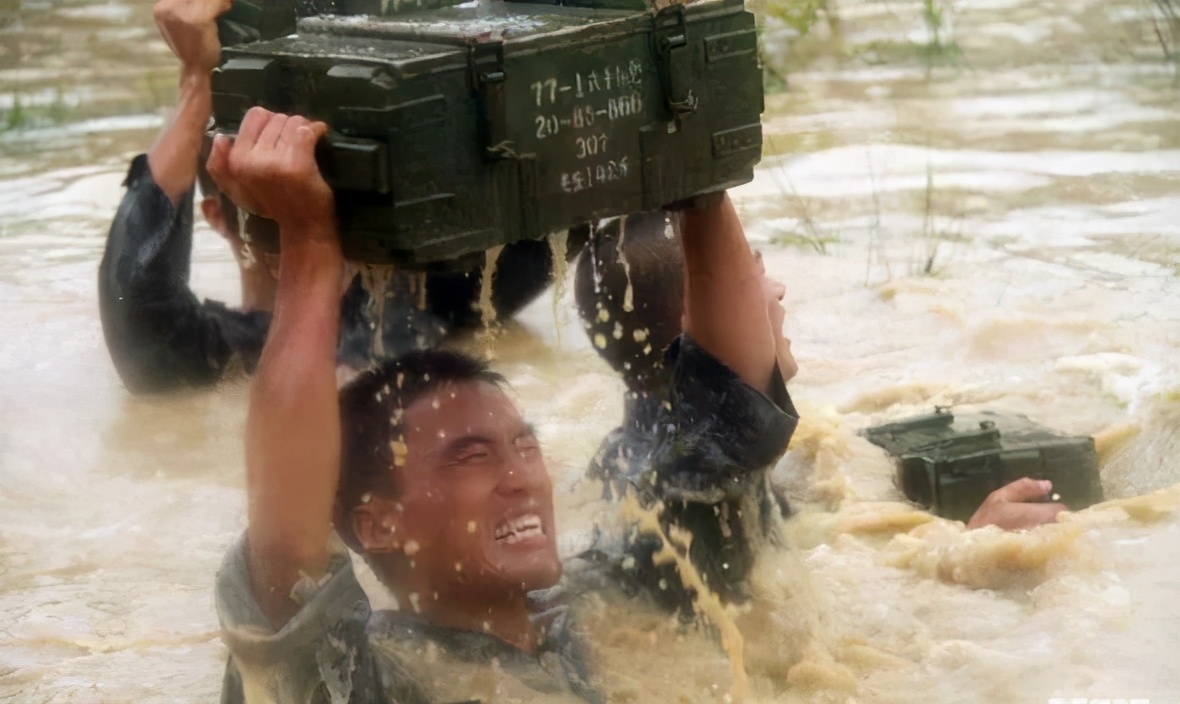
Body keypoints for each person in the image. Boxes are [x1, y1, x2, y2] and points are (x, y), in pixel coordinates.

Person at [208, 105, 799, 703]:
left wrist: (698, 174)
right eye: (471, 457)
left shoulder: (607, 602)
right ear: (379, 523)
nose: (521, 479)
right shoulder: (368, 679)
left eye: (525, 446)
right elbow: (287, 567)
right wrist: (309, 246)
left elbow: (732, 421)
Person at [98, 0, 568, 395]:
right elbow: (138, 304)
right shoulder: (226, 354)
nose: (308, 185)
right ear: (218, 215)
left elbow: (571, 193)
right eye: (269, 179)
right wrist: (198, 78)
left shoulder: (424, 308)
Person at [573, 214, 1066, 532]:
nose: (780, 288)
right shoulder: (706, 458)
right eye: (755, 274)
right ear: (703, 315)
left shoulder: (623, 454)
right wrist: (971, 547)